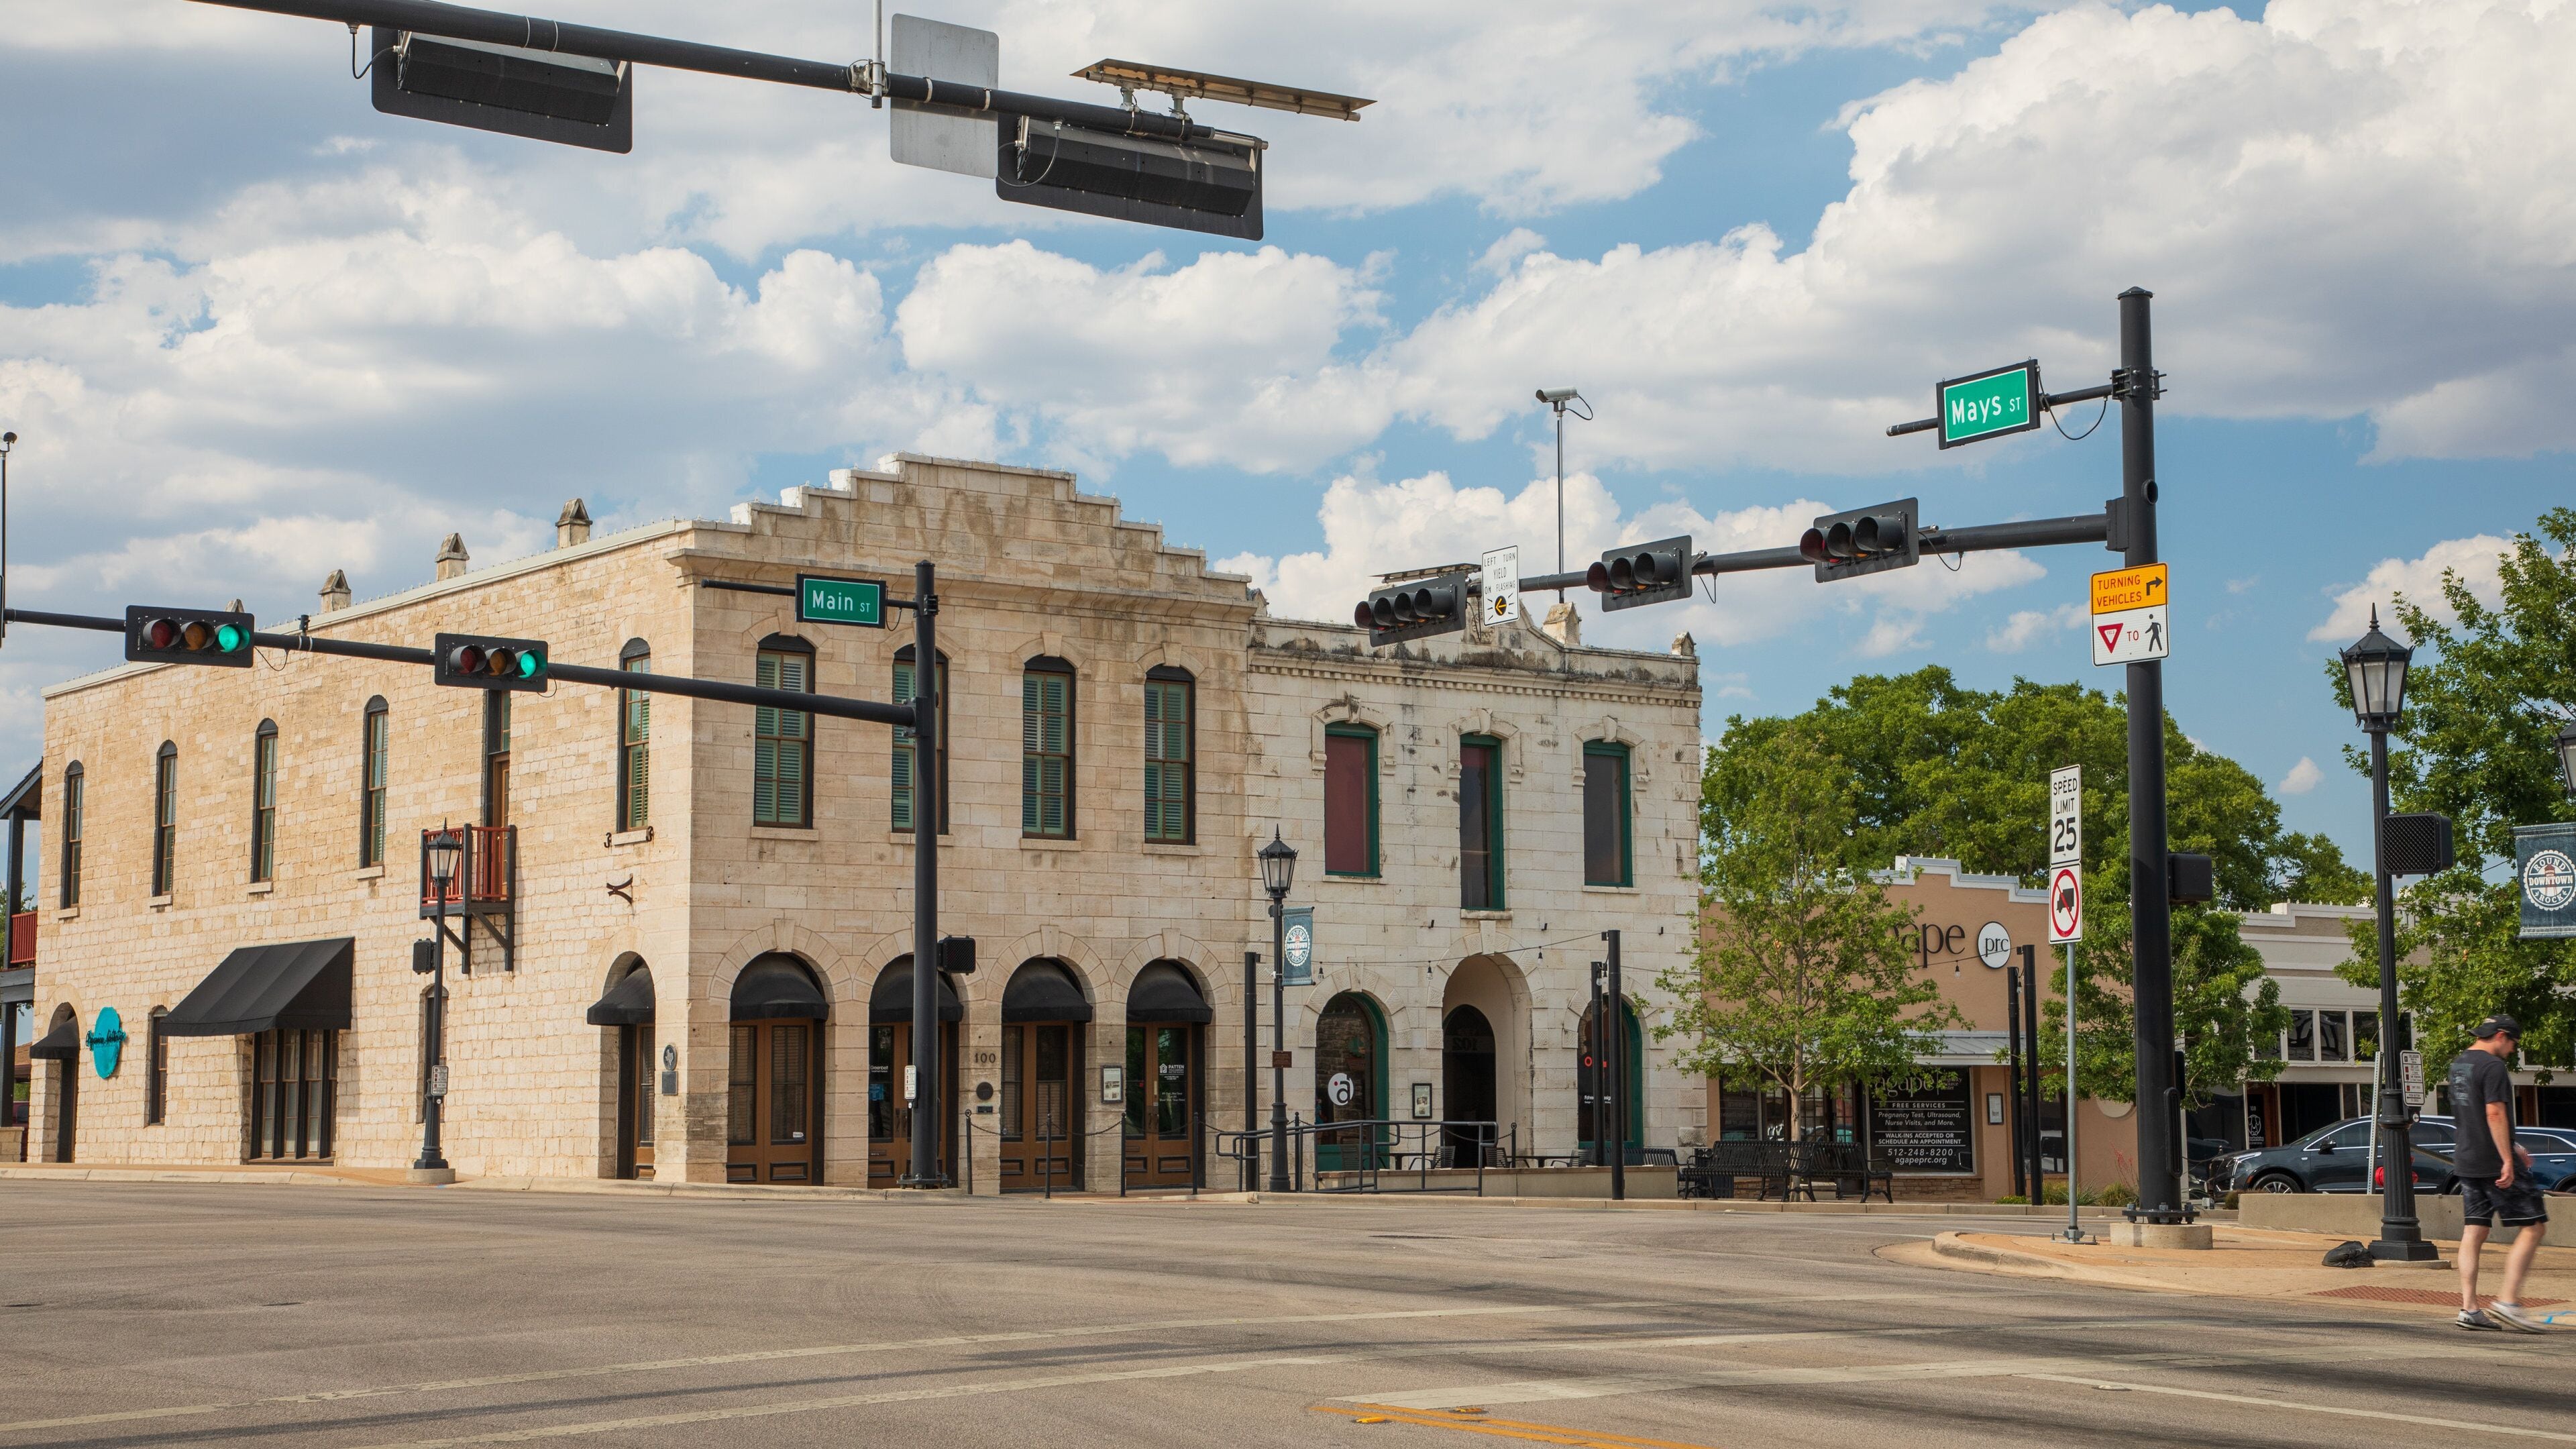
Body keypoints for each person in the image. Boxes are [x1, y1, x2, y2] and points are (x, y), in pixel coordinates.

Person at [2452, 1016, 2549, 1332]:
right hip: (2495, 1163)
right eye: (2513, 1045)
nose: (2511, 1051)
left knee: (2474, 1231)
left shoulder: (2459, 1065)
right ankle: (2508, 1301)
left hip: (2467, 1159)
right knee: (2534, 1227)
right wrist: (2508, 1159)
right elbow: (2493, 1112)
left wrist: (2513, 1144)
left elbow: (2474, 1116)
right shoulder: (2492, 1067)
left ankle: (2469, 1308)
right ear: (2502, 1036)